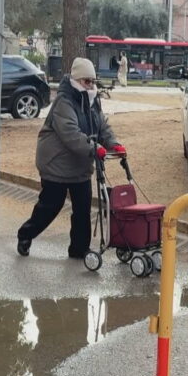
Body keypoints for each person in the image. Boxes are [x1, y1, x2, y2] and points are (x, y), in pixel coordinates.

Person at [16, 57, 125, 259]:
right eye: (86, 81)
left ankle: (79, 249)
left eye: (93, 81)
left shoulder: (92, 101)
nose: (91, 85)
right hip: (56, 163)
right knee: (50, 206)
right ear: (76, 80)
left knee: (83, 209)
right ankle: (25, 234)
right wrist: (96, 148)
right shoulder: (64, 102)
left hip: (80, 165)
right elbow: (71, 135)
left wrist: (113, 143)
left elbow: (102, 126)